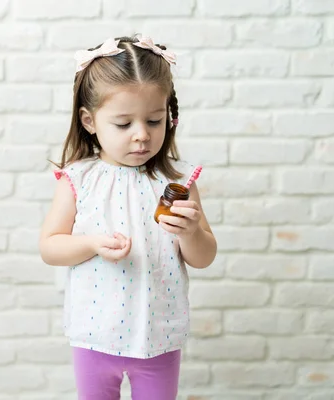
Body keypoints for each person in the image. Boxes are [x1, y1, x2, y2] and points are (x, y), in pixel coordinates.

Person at [39, 35, 218, 400]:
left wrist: (189, 233)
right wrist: (90, 244)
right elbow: (50, 248)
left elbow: (204, 257)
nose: (142, 136)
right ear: (89, 121)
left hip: (158, 335)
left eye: (154, 120)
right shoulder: (79, 180)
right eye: (123, 124)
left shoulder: (178, 182)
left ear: (169, 114)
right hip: (95, 333)